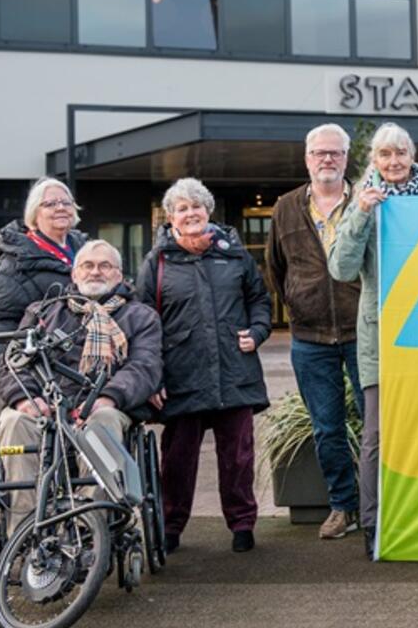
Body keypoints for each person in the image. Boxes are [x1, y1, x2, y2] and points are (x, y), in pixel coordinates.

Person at [137, 178, 273, 554]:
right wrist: (153, 377)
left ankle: (243, 524)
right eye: (182, 208)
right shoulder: (158, 262)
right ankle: (172, 526)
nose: (191, 213)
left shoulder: (235, 254)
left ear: (208, 211)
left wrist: (259, 331)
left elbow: (260, 300)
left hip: (235, 371)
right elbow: (143, 321)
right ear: (170, 217)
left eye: (197, 206)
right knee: (178, 460)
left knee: (239, 458)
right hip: (182, 375)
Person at [328, 122, 418, 558]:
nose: (393, 162)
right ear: (373, 161)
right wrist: (360, 214)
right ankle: (374, 523)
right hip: (379, 338)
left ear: (412, 157)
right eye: (384, 155)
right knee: (376, 434)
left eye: (400, 154)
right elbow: (340, 268)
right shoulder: (360, 203)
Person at [0, 239, 162, 531]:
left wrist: (109, 397)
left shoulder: (140, 316)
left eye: (104, 266)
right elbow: (12, 361)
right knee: (13, 420)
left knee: (103, 421)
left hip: (104, 405)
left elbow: (144, 367)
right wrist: (27, 400)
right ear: (74, 274)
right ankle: (25, 532)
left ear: (119, 276)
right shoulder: (42, 312)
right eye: (87, 265)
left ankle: (89, 527)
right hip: (46, 405)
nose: (95, 272)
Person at [266, 123, 365, 541]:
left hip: (363, 332)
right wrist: (297, 305)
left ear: (346, 158)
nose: (327, 159)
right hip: (310, 338)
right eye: (319, 153)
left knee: (375, 420)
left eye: (335, 153)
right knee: (327, 427)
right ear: (307, 159)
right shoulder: (286, 207)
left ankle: (380, 506)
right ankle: (343, 506)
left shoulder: (366, 200)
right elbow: (275, 268)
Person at [0, 178, 87, 379]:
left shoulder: (86, 251)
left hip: (85, 363)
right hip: (45, 370)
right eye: (50, 204)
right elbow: (0, 324)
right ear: (34, 213)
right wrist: (13, 383)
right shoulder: (13, 264)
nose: (60, 208)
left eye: (66, 202)